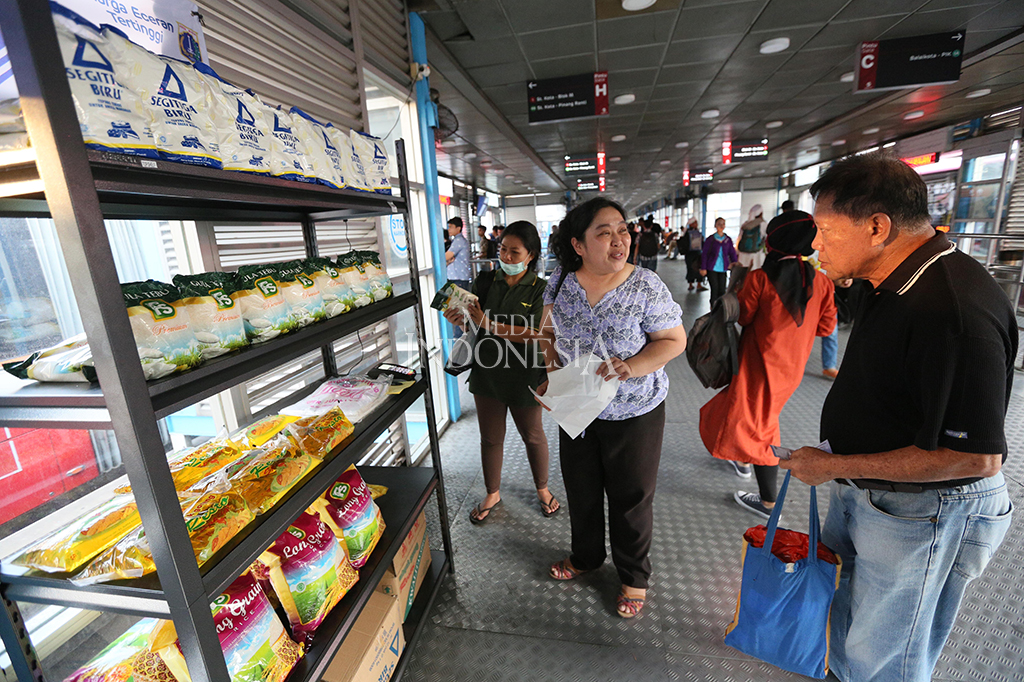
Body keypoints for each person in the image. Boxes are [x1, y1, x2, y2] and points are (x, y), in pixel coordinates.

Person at [784, 153, 1015, 682]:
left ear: (877, 227)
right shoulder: (893, 282)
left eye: (823, 230)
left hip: (925, 509)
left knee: (889, 652)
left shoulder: (951, 312)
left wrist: (831, 466)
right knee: (848, 620)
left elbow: (974, 457)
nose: (815, 245)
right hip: (869, 489)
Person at [537, 197, 687, 619]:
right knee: (581, 491)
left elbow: (674, 341)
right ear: (578, 244)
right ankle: (585, 558)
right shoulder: (562, 279)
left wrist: (632, 366)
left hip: (634, 409)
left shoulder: (646, 286)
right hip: (579, 408)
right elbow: (548, 332)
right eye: (604, 233)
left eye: (622, 230)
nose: (619, 240)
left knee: (631, 498)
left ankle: (633, 576)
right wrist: (553, 378)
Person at [698, 211, 837, 516]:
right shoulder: (823, 283)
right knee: (741, 414)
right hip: (791, 368)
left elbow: (743, 316)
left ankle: (768, 502)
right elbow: (826, 327)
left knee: (761, 429)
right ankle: (742, 457)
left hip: (758, 365)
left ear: (774, 241)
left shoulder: (761, 278)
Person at [443, 222, 558, 524]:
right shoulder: (484, 281)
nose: (506, 257)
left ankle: (543, 489)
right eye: (503, 249)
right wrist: (460, 318)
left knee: (533, 435)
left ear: (531, 255)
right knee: (490, 438)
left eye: (514, 252)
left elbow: (536, 333)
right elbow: (472, 324)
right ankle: (492, 492)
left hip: (526, 373)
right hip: (487, 371)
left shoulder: (541, 289)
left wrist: (487, 323)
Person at [699, 217, 738, 305]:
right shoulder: (710, 239)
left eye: (723, 223)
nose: (721, 225)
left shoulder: (727, 240)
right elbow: (704, 254)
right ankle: (713, 309)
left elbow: (732, 252)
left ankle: (720, 309)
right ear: (715, 225)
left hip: (723, 268)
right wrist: (703, 268)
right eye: (719, 223)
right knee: (714, 289)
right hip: (711, 268)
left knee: (722, 290)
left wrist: (735, 263)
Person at [736, 204, 766, 270]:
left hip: (743, 255)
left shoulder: (745, 225)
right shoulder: (762, 224)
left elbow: (739, 239)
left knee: (744, 275)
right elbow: (765, 238)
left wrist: (737, 252)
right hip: (756, 254)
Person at [445, 217, 470, 290]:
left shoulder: (459, 241)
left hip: (458, 278)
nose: (449, 230)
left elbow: (446, 257)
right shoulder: (456, 240)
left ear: (458, 228)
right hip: (458, 278)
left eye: (451, 227)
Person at [681, 218, 707, 291]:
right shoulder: (694, 233)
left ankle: (692, 284)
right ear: (691, 224)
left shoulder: (687, 233)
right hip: (695, 253)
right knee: (695, 268)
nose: (697, 224)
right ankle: (696, 284)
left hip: (691, 254)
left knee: (691, 268)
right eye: (695, 223)